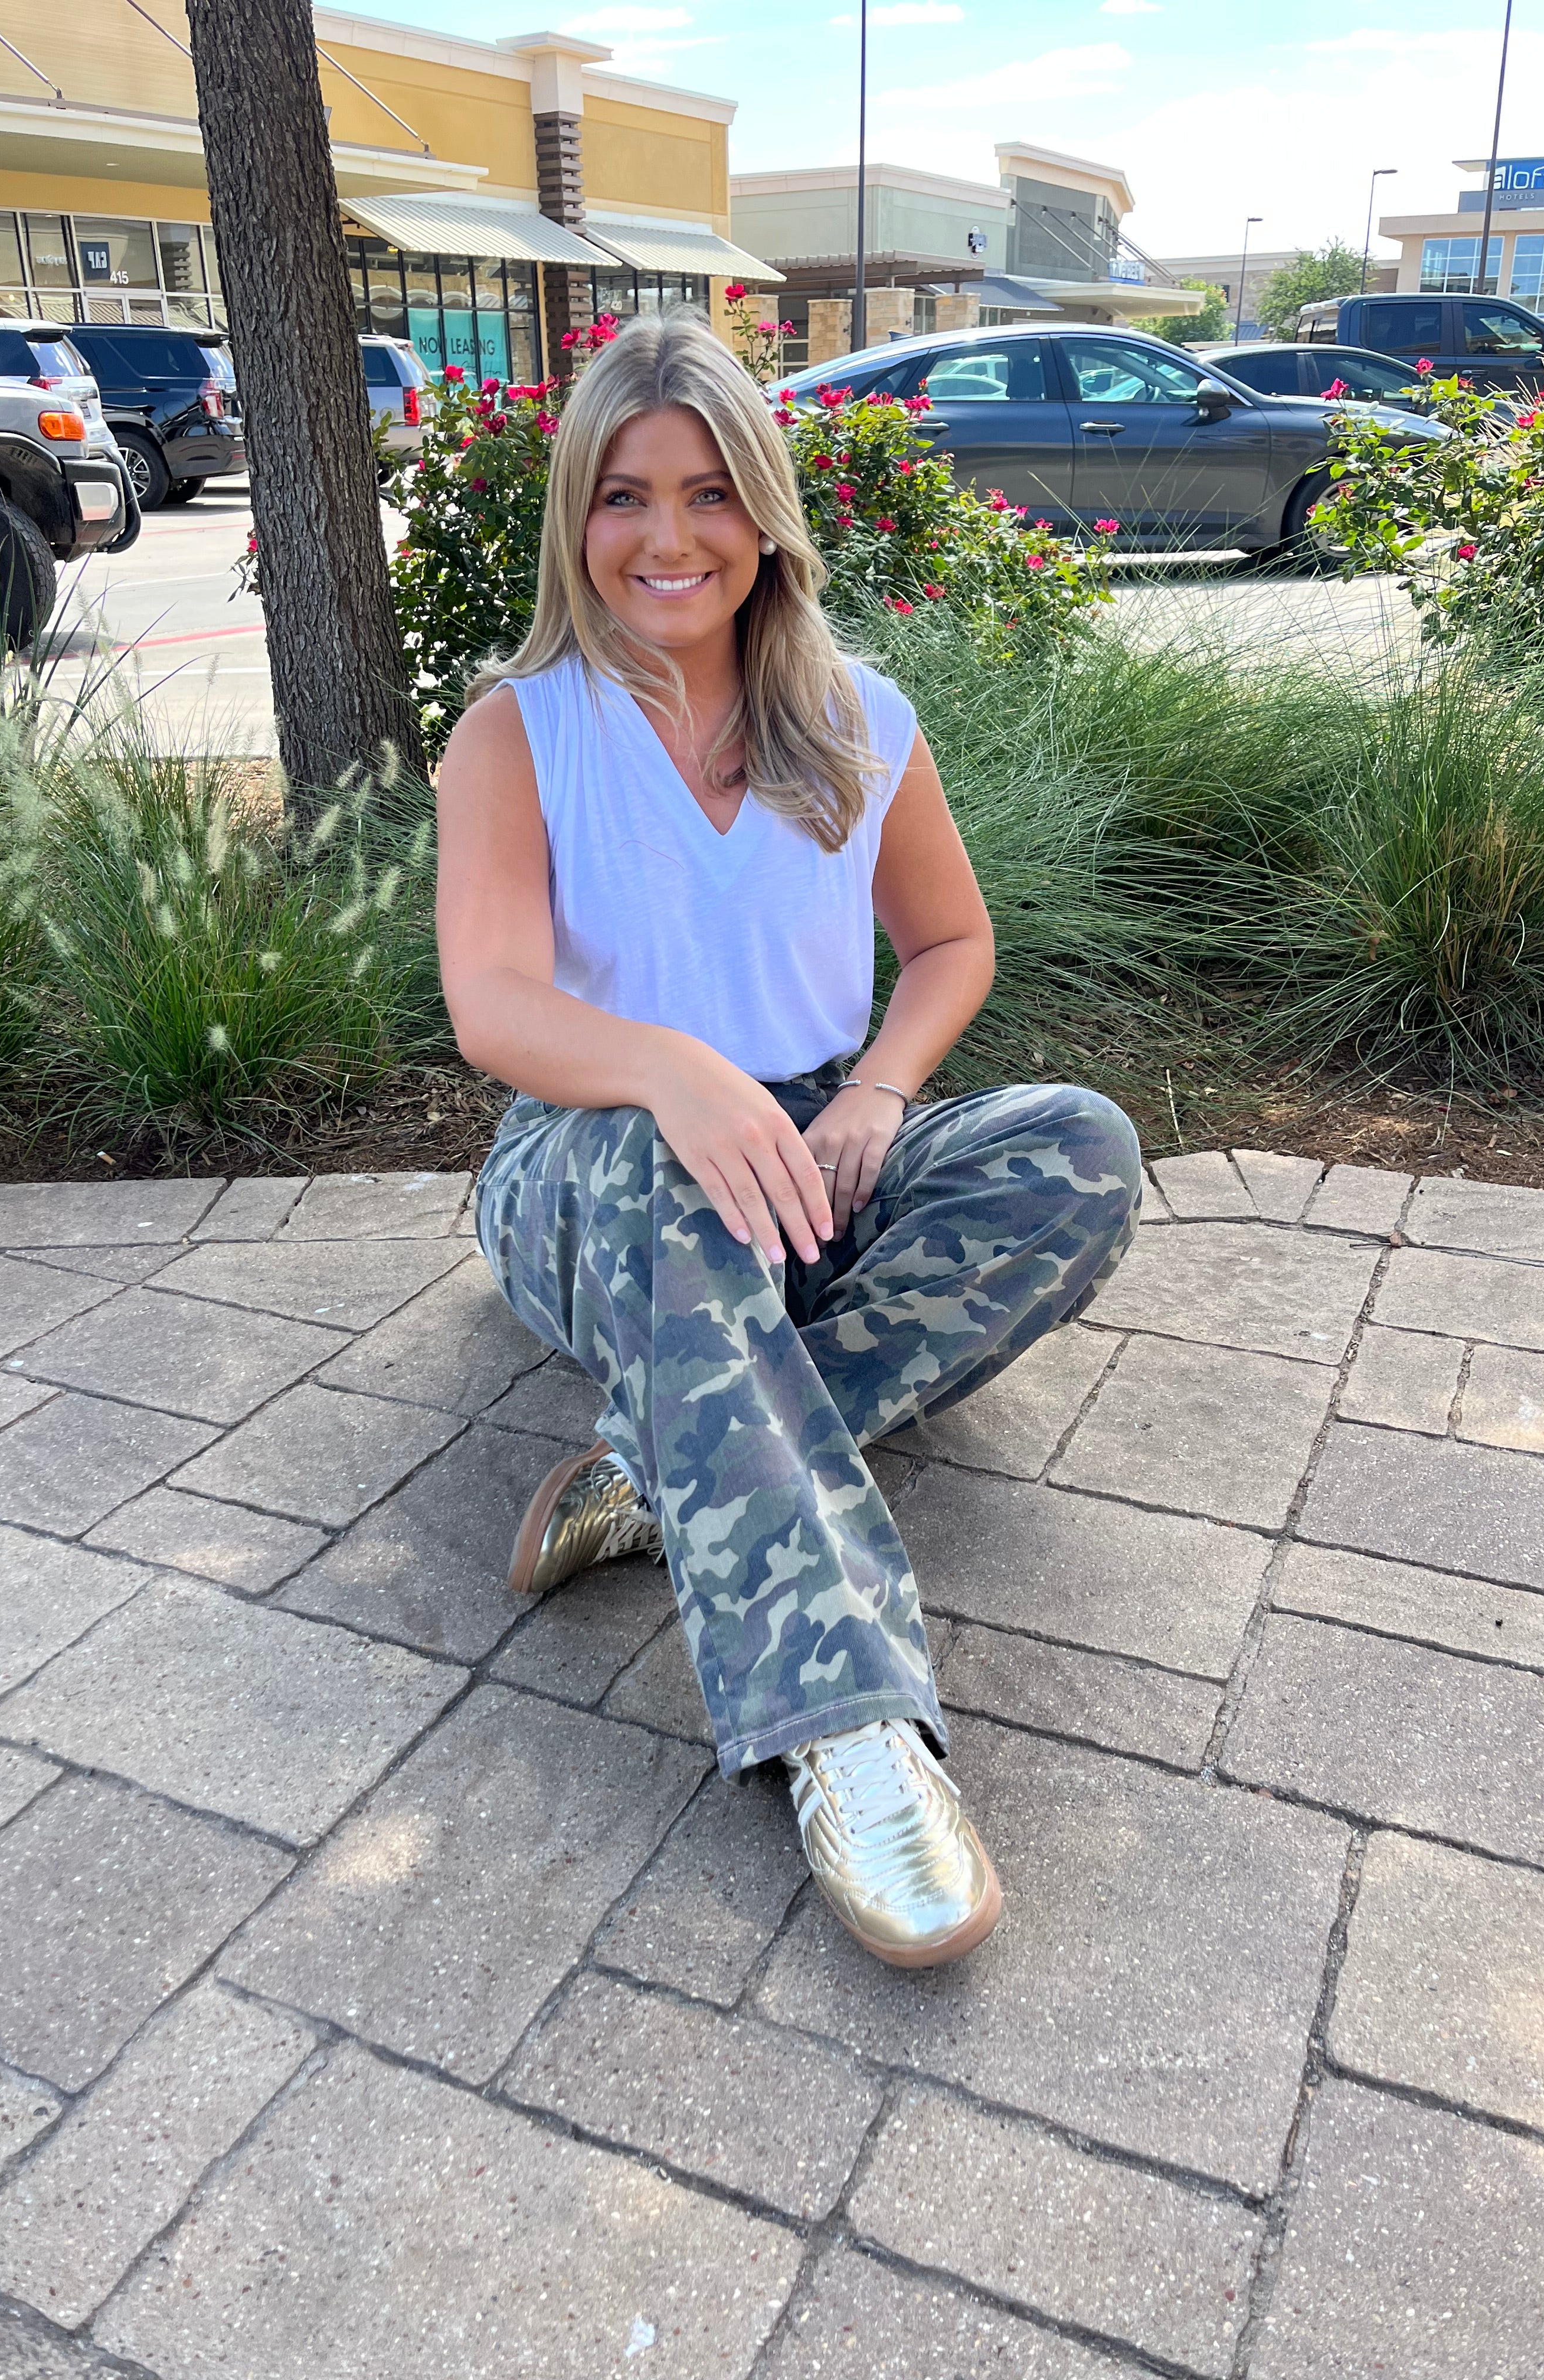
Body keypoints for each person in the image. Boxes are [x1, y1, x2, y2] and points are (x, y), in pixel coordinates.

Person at [434, 310, 1140, 1970]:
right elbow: (494, 1004)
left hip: (814, 1141)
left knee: (1080, 1149)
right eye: (623, 496)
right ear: (577, 519)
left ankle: (663, 1464)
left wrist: (882, 1088)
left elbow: (951, 943)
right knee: (665, 1159)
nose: (666, 537)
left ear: (762, 518)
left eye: (706, 494)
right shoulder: (518, 731)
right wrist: (671, 1074)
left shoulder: (858, 714)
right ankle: (846, 1723)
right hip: (591, 1157)